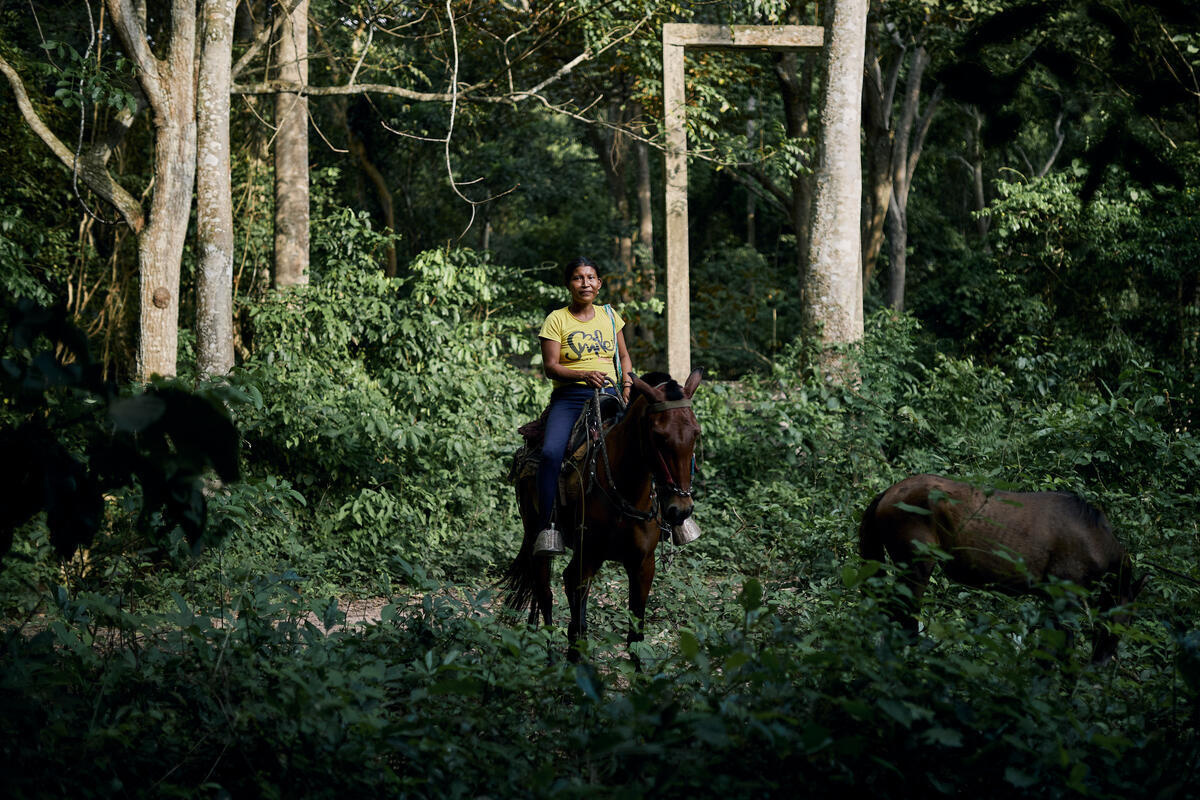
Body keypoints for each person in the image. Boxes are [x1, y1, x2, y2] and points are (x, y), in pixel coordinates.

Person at [533, 256, 633, 556]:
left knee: (650, 439)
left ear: (599, 284)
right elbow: (550, 367)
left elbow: (624, 357)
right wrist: (582, 375)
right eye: (578, 278)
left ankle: (668, 519)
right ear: (569, 285)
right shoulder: (557, 319)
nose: (585, 283)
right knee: (551, 454)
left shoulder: (610, 315)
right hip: (571, 396)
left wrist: (626, 387)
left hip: (611, 395)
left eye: (591, 277)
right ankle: (547, 527)